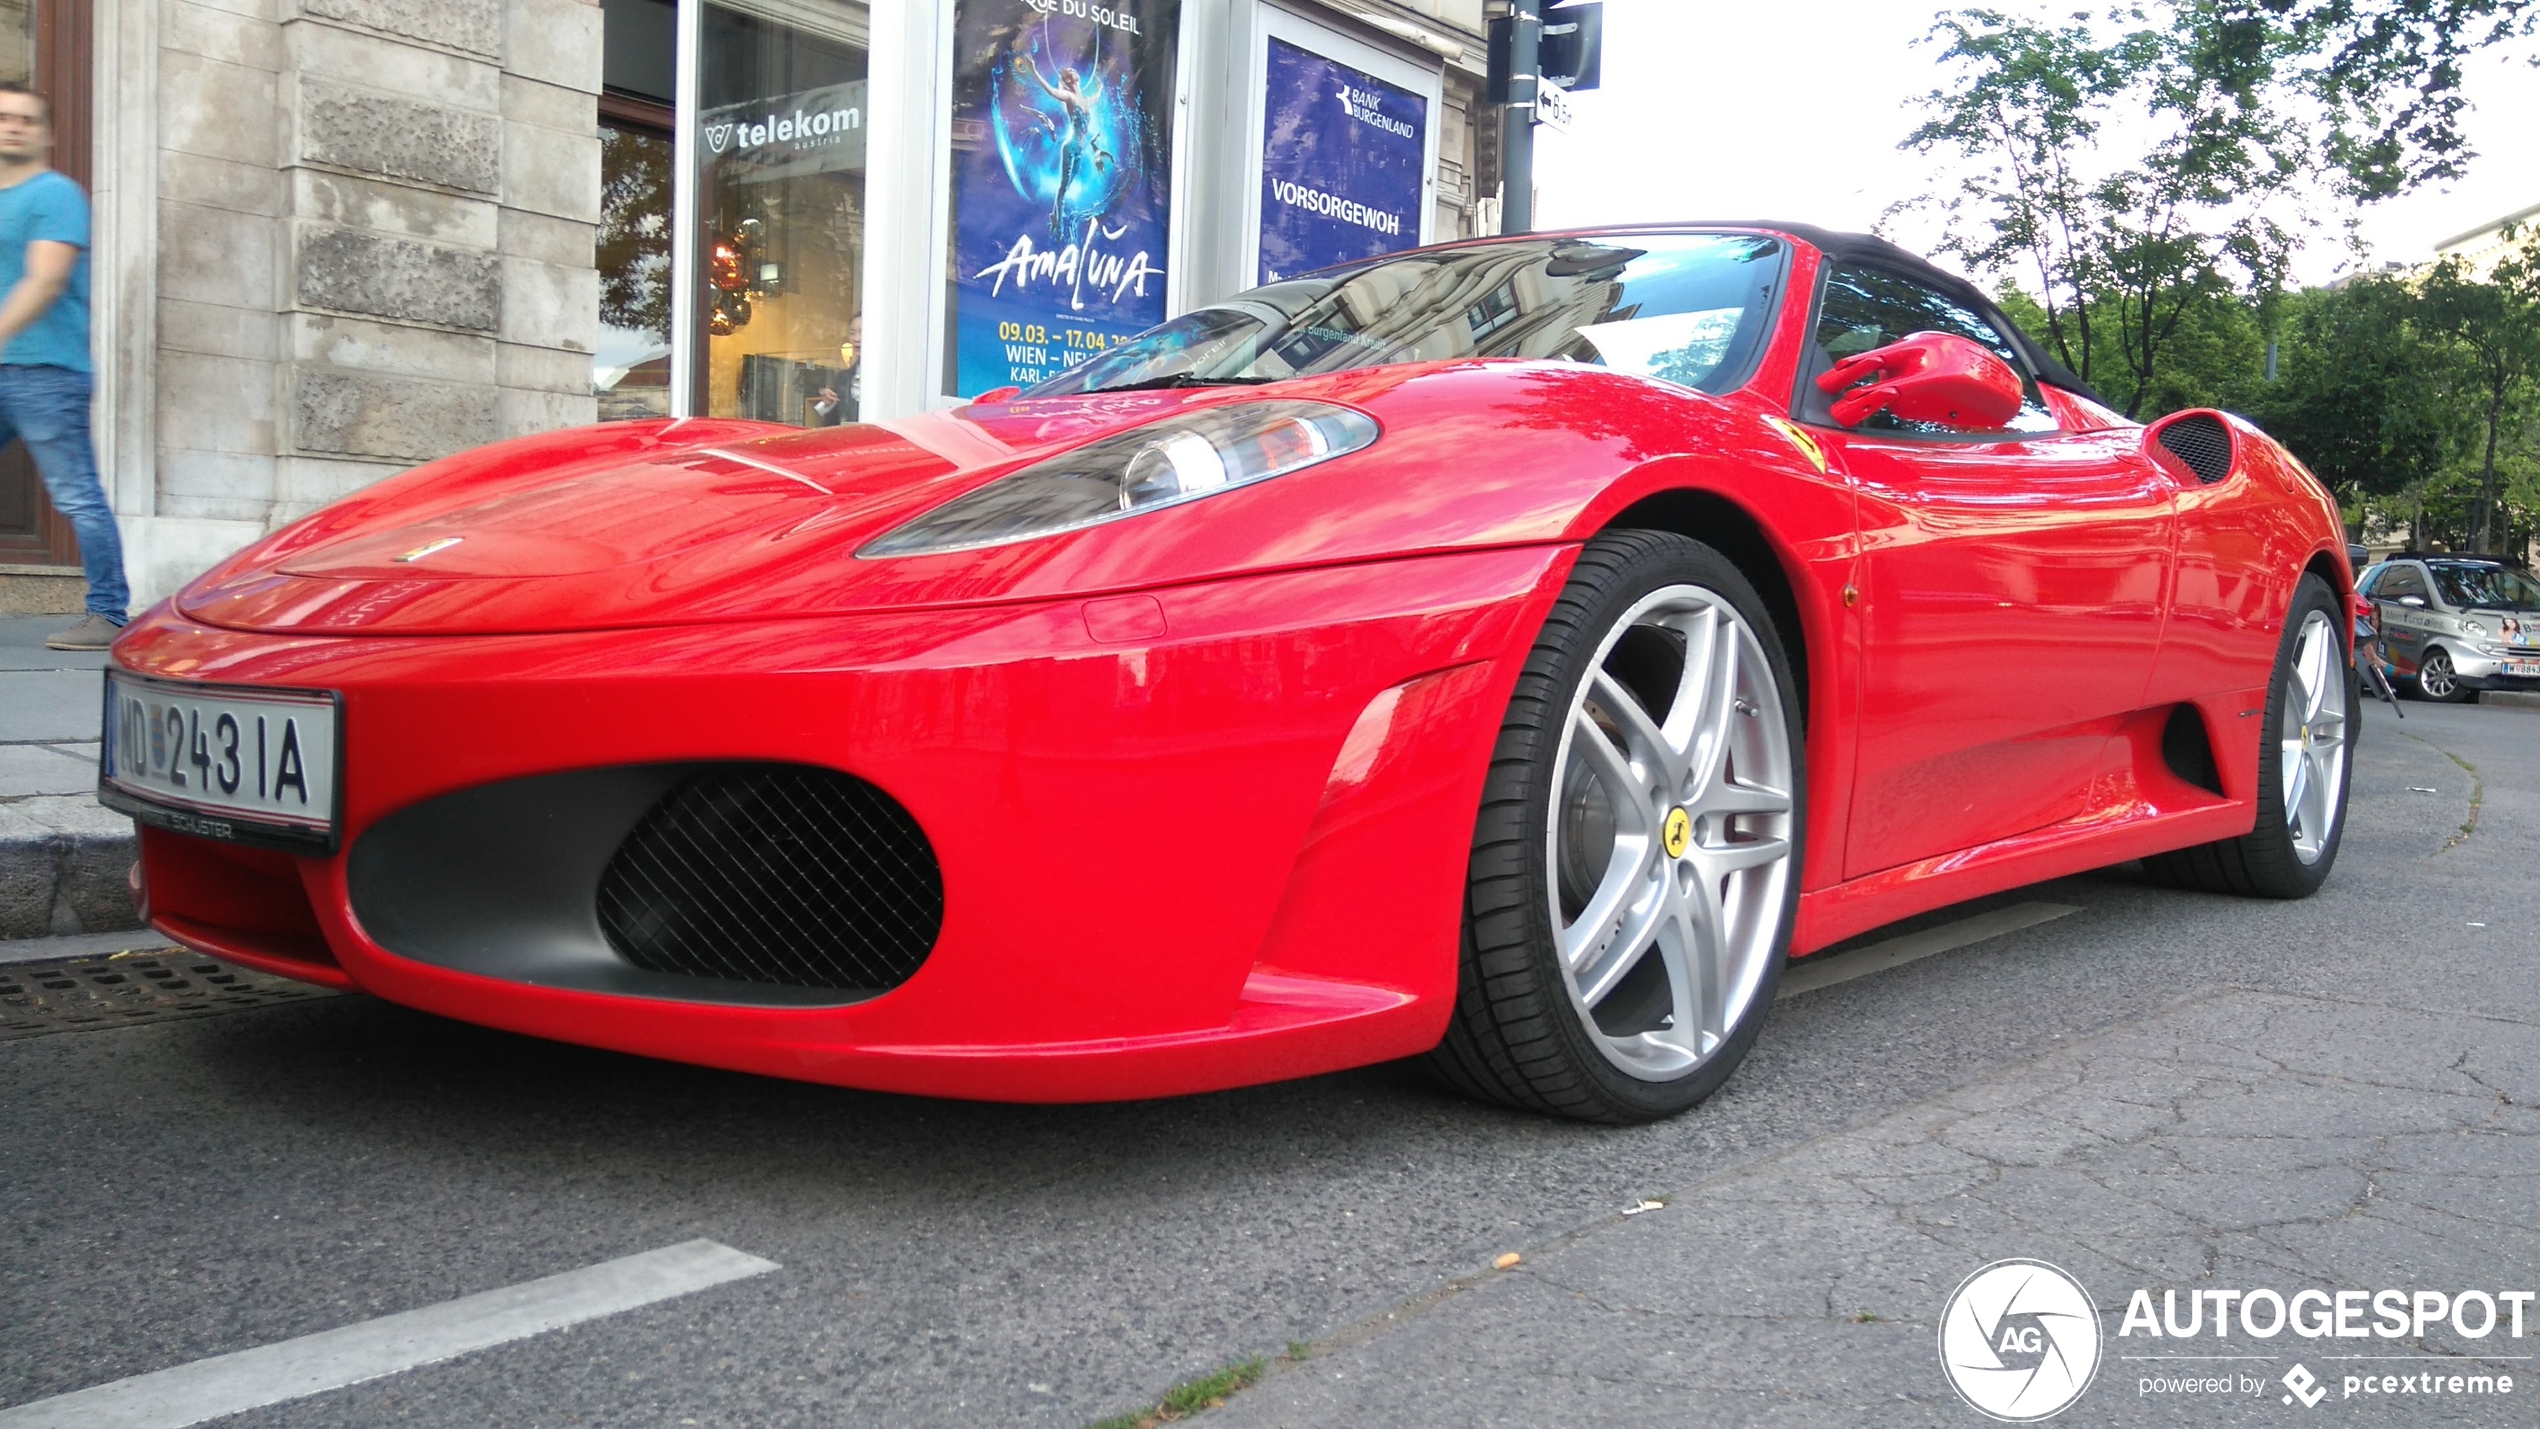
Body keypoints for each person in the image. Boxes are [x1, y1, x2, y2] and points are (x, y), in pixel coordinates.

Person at [0, 80, 122, 650]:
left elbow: (45, 278)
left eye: (25, 118)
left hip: (46, 370)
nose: (13, 125)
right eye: (4, 116)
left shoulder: (56, 194)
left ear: (46, 133)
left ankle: (109, 614)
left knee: (75, 494)